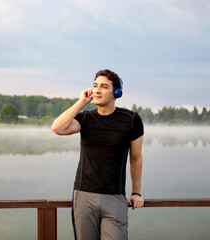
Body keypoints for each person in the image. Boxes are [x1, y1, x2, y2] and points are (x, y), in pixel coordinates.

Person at [51, 69, 144, 240]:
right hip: (84, 195)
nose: (97, 90)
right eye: (95, 86)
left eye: (104, 86)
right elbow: (57, 128)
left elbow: (136, 158)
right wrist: (81, 102)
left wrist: (136, 192)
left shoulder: (131, 120)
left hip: (115, 197)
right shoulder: (85, 119)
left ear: (116, 92)